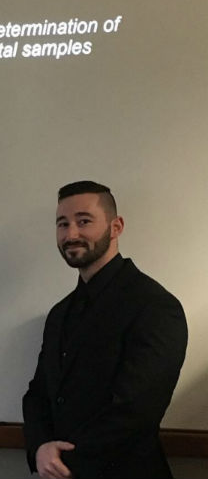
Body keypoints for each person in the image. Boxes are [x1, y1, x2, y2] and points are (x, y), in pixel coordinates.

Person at [22, 181, 187, 479]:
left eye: (84, 221)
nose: (71, 234)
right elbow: (39, 394)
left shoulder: (156, 307)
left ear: (116, 227)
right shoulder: (59, 314)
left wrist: (66, 461)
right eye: (62, 224)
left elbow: (137, 410)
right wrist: (41, 448)